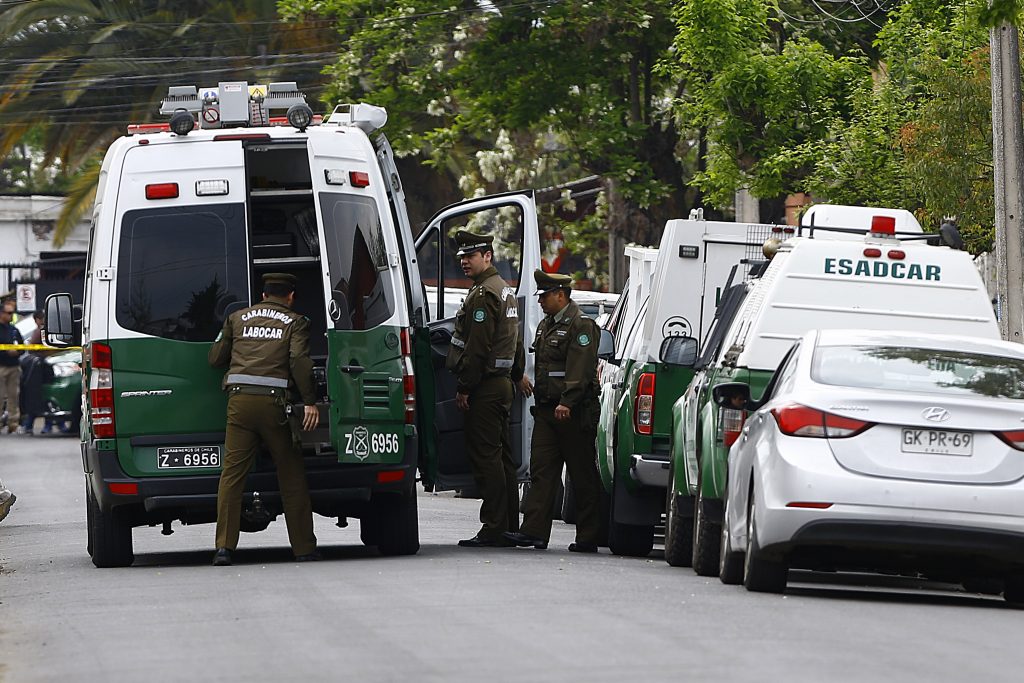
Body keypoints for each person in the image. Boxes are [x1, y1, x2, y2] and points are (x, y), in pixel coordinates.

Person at [207, 273, 320, 566]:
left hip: (239, 403)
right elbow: (298, 361)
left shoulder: (237, 318)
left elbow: (215, 358)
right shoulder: (295, 322)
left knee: (232, 475)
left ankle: (224, 548)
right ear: (291, 296)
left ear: (263, 295)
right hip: (274, 405)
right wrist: (310, 401)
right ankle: (304, 548)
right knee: (291, 473)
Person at [504, 270, 604, 553]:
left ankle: (588, 536)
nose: (541, 301)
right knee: (541, 471)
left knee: (581, 473)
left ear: (561, 295)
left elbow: (581, 369)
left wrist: (568, 401)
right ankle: (534, 531)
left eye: (545, 296)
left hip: (573, 412)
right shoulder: (546, 324)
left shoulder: (581, 325)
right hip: (548, 411)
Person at [447, 230, 522, 548]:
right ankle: (507, 524)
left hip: (486, 388)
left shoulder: (483, 294)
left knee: (486, 458)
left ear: (488, 256)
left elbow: (478, 348)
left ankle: (493, 527)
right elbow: (514, 341)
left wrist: (465, 386)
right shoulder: (504, 290)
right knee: (502, 459)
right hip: (502, 385)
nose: (464, 261)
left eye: (471, 256)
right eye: (462, 257)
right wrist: (518, 376)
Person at [0, 299, 24, 435]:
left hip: (14, 367)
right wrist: (5, 352)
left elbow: (23, 347)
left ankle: (13, 424)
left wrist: (17, 351)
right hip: (1, 366)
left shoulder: (14, 330)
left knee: (13, 396)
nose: (10, 315)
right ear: (1, 313)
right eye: (8, 313)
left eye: (12, 313)